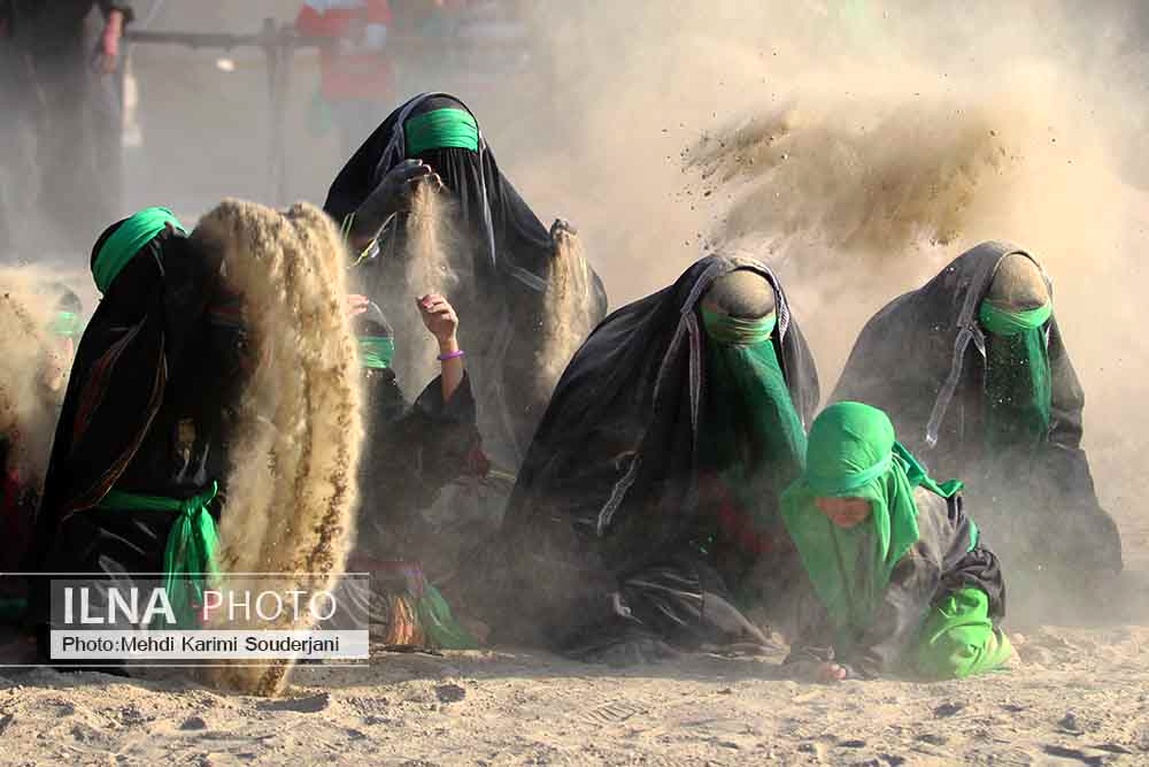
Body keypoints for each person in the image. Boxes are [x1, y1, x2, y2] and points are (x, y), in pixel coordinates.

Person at [474, 255, 820, 664]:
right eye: (728, 346)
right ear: (691, 332)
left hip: (719, 543)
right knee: (650, 601)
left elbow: (789, 470)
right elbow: (578, 513)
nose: (745, 366)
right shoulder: (624, 381)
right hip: (626, 550)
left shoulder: (786, 361)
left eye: (755, 348)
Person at [323, 92, 607, 469]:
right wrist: (370, 220)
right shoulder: (366, 223)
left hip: (494, 460)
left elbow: (583, 321)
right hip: (384, 459)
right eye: (434, 168)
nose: (452, 188)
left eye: (463, 170)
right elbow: (315, 286)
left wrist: (567, 275)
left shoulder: (506, 244)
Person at [24, 207, 247, 663]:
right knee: (90, 656)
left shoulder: (210, 332)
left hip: (201, 540)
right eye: (170, 258)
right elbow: (166, 351)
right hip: (113, 545)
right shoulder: (116, 354)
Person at [831, 242, 1122, 582]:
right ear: (972, 312)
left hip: (1003, 488)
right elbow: (884, 446)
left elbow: (1062, 429)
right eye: (1004, 329)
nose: (1018, 346)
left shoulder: (1039, 338)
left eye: (1026, 331)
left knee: (1086, 552)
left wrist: (1070, 516)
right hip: (914, 481)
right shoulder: (904, 333)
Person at [781, 402, 1013, 682]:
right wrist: (809, 650)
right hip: (888, 586)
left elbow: (906, 593)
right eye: (826, 496)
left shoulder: (916, 513)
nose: (837, 509)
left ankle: (994, 643)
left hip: (951, 582)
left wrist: (866, 664)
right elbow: (822, 580)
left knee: (944, 656)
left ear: (879, 483)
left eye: (853, 496)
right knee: (851, 645)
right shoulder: (812, 508)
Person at [349, 292, 486, 648]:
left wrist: (447, 340)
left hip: (381, 598)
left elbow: (451, 434)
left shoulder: (400, 430)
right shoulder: (305, 418)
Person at [0, 1, 133, 253]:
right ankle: (12, 248)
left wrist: (111, 33)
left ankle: (100, 242)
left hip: (73, 41)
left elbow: (116, 5)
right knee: (13, 144)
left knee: (79, 145)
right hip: (13, 42)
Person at [295, 0, 397, 157]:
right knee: (362, 148)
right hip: (349, 90)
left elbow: (376, 37)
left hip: (369, 90)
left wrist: (342, 39)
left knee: (370, 149)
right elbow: (304, 24)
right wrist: (336, 36)